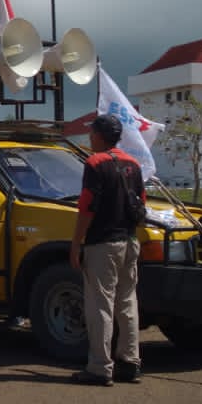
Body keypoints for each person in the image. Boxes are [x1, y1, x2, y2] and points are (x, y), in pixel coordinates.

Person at [68, 113, 145, 385]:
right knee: (127, 302)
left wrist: (76, 243)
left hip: (102, 243)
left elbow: (86, 207)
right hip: (129, 240)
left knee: (100, 305)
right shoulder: (133, 164)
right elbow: (141, 203)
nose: (89, 137)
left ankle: (100, 367)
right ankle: (130, 361)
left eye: (92, 133)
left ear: (99, 136)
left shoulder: (95, 163)